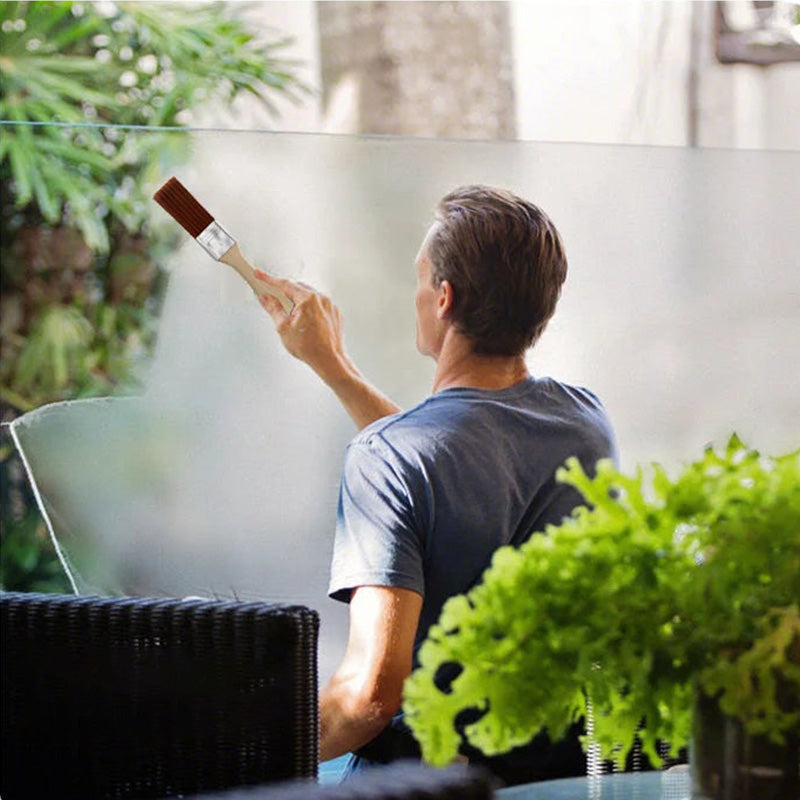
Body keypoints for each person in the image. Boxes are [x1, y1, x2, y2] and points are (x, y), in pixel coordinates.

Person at [255, 185, 617, 785]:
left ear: (444, 299)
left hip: (428, 783)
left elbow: (368, 698)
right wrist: (333, 367)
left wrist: (239, 748)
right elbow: (452, 458)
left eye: (420, 278)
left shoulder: (390, 458)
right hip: (556, 776)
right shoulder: (586, 423)